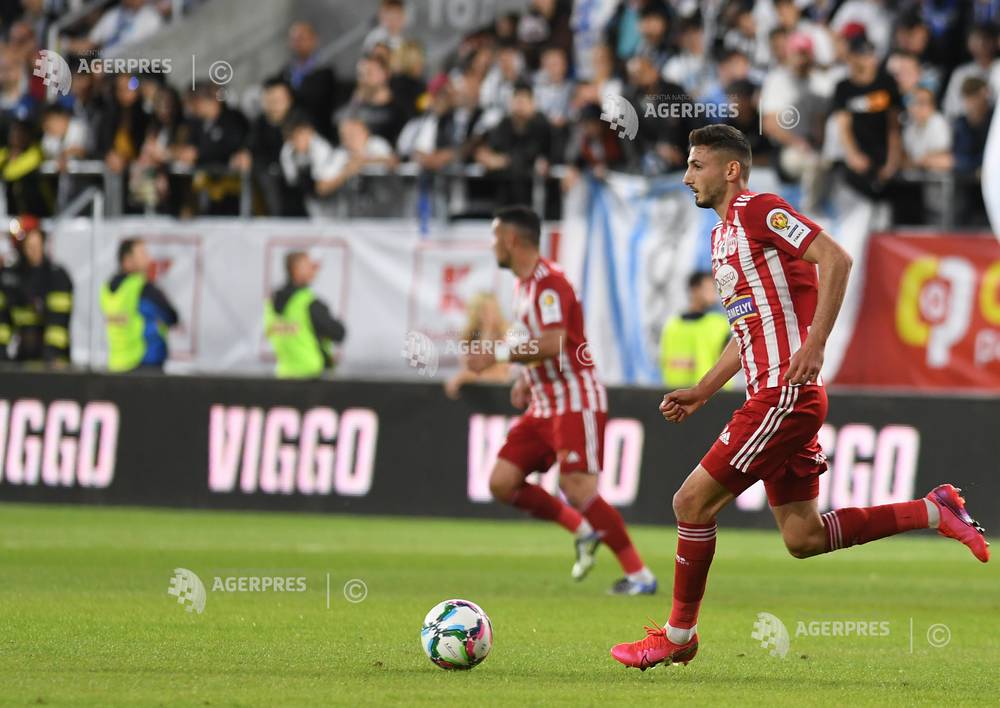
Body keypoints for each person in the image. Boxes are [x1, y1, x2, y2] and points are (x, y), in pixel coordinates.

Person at [610, 124, 989, 670]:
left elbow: (837, 259)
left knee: (690, 504)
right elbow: (751, 331)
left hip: (784, 396)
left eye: (696, 165)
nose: (687, 175)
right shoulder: (721, 239)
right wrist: (702, 390)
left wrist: (814, 347)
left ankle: (678, 635)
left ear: (730, 169)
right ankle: (933, 510)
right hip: (776, 394)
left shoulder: (760, 209)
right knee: (803, 535)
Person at [466, 205, 658, 595]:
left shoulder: (550, 282)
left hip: (574, 397)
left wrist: (498, 356)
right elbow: (538, 346)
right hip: (543, 401)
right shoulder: (523, 286)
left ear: (511, 240)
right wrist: (523, 377)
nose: (492, 246)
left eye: (494, 238)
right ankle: (583, 530)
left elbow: (553, 342)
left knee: (578, 487)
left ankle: (640, 576)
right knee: (503, 482)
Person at [1, 216, 73, 364]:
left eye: (36, 244)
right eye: (28, 245)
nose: (32, 250)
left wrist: (53, 356)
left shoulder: (56, 276)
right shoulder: (11, 277)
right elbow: (3, 320)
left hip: (51, 360)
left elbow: (58, 322)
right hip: (22, 358)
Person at [100, 238, 179, 372]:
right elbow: (171, 316)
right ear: (127, 259)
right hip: (145, 363)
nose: (148, 258)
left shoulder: (106, 289)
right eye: (142, 254)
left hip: (116, 364)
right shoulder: (142, 287)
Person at [264, 251, 346, 379]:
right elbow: (339, 333)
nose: (314, 269)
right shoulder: (309, 303)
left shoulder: (271, 304)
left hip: (284, 375)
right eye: (309, 265)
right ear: (296, 270)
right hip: (312, 377)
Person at [658, 271, 730, 389]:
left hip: (713, 395)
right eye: (709, 289)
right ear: (695, 290)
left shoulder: (720, 324)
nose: (713, 294)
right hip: (677, 396)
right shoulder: (672, 326)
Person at [444, 292, 511, 399]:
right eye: (484, 311)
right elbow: (468, 367)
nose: (490, 315)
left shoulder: (506, 336)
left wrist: (465, 377)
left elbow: (500, 375)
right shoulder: (469, 337)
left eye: (493, 310)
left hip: (499, 396)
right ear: (475, 313)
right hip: (475, 396)